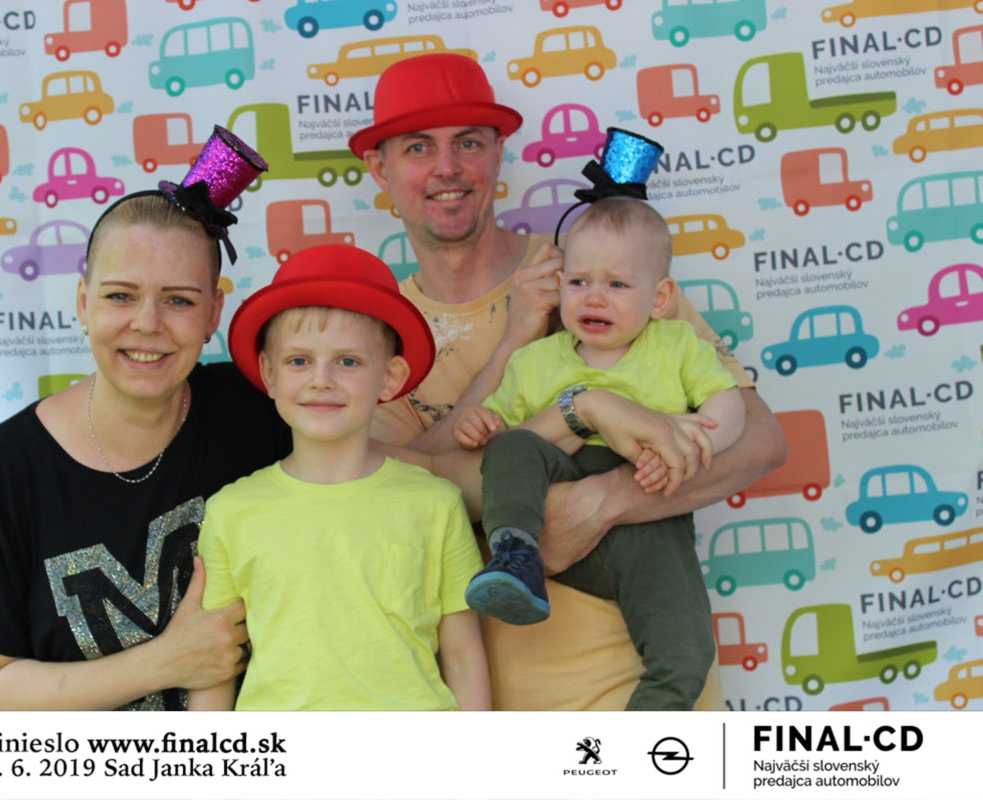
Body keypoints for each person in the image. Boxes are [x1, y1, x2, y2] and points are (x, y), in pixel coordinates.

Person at [351, 53, 788, 710]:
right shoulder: (375, 335)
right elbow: (400, 499)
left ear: (498, 153)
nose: (447, 168)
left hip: (644, 693)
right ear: (379, 168)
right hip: (490, 710)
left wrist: (606, 499)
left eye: (468, 142)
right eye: (418, 147)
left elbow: (760, 441)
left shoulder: (599, 267)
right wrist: (545, 372)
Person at [0, 128, 291, 710]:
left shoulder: (260, 408)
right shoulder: (4, 468)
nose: (147, 324)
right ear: (82, 302)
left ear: (213, 313)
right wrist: (169, 660)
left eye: (179, 300)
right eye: (121, 296)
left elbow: (370, 469)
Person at [454, 196, 745, 709]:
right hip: (556, 513)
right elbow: (502, 445)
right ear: (559, 285)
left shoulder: (676, 345)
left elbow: (730, 406)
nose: (595, 298)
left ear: (659, 298)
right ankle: (514, 554)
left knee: (686, 653)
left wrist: (694, 441)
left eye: (617, 285)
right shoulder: (535, 360)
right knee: (514, 447)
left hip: (651, 523)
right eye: (578, 281)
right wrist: (480, 424)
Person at [189, 244, 489, 711]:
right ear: (268, 373)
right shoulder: (230, 512)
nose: (321, 379)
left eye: (348, 361)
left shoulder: (436, 503)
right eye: (298, 361)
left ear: (390, 377)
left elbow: (465, 657)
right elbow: (214, 667)